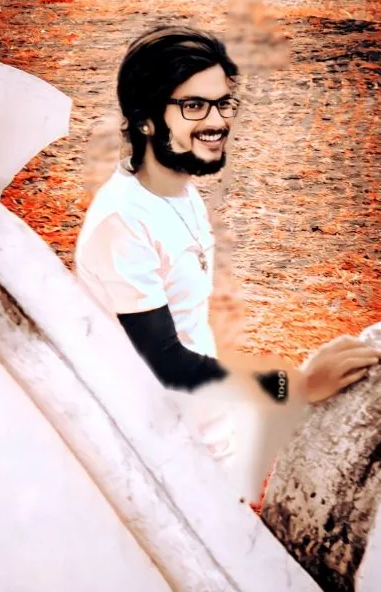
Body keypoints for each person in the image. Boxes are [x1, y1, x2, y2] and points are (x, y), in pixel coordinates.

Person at [75, 25, 380, 468]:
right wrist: (296, 384)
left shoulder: (180, 192)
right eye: (194, 106)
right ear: (145, 119)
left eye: (222, 103)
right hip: (157, 460)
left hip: (202, 441)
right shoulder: (123, 221)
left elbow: (190, 332)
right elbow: (168, 364)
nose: (217, 121)